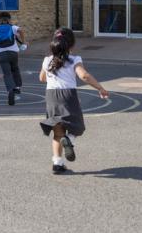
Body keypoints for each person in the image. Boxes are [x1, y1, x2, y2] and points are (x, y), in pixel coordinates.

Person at [39, 27, 109, 174]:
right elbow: (84, 76)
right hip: (67, 96)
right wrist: (100, 88)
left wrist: (51, 73)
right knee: (78, 127)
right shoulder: (74, 60)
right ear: (71, 44)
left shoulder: (47, 60)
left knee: (58, 133)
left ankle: (57, 164)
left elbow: (42, 78)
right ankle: (69, 140)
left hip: (51, 97)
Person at [0, 11, 27, 106]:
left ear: (0, 20)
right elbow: (20, 30)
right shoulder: (12, 27)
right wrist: (23, 42)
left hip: (2, 55)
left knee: (7, 73)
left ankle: (10, 90)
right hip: (13, 53)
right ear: (9, 19)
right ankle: (17, 87)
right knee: (15, 69)